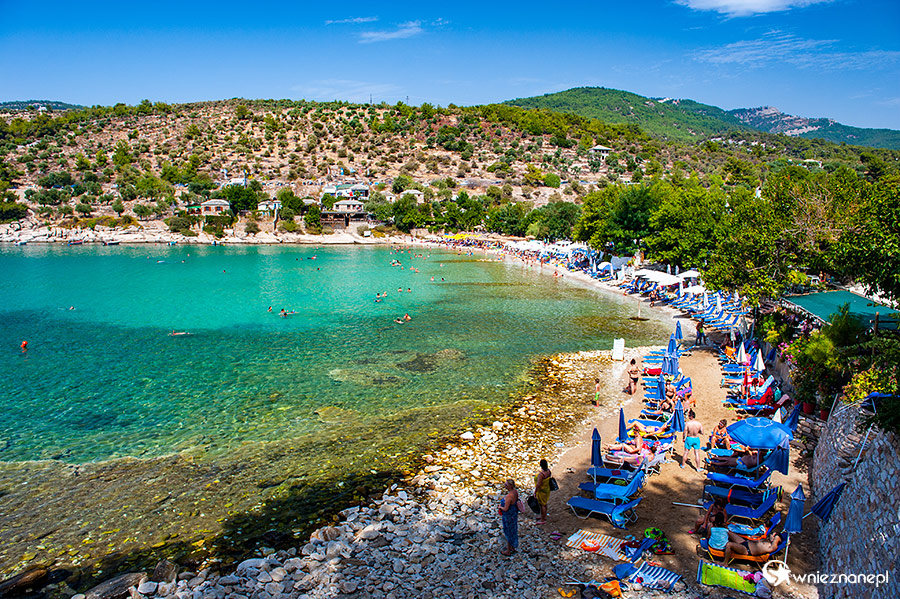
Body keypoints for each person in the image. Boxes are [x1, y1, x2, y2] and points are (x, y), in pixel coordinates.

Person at [499, 479, 519, 556]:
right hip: (514, 513)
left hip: (508, 516)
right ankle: (513, 546)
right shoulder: (515, 492)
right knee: (513, 530)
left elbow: (506, 509)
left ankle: (508, 551)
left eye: (506, 485)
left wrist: (500, 507)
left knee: (508, 531)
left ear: (510, 486)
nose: (505, 486)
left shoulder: (509, 497)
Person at [534, 459, 552, 525]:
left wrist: (535, 492)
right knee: (545, 503)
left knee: (542, 505)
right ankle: (544, 516)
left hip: (542, 491)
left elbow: (538, 484)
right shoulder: (549, 471)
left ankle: (543, 519)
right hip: (547, 489)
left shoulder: (541, 475)